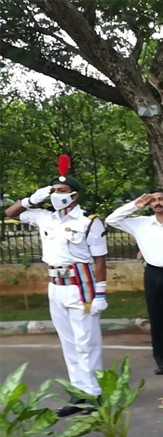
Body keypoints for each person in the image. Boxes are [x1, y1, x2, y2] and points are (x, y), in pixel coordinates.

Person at [4, 158, 107, 416]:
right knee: (69, 343)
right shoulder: (44, 218)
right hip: (55, 286)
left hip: (81, 287)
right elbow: (10, 213)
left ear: (75, 195)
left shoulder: (89, 222)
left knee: (86, 342)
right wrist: (31, 199)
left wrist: (101, 292)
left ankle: (94, 394)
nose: (56, 195)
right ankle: (78, 394)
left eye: (61, 191)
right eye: (53, 191)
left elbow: (99, 260)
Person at [105, 189, 163, 375]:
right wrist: (135, 205)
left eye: (161, 199)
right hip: (153, 275)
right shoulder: (140, 224)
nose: (157, 203)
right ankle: (162, 360)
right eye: (153, 200)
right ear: (149, 204)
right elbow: (111, 220)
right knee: (156, 319)